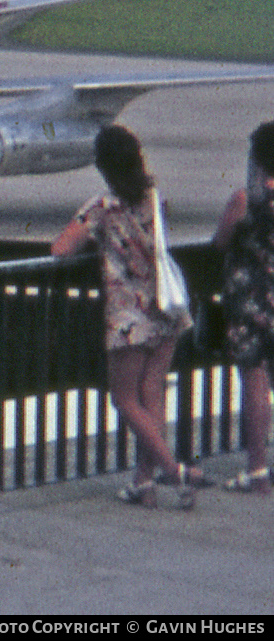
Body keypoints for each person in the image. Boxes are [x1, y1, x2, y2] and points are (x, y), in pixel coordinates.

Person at [51, 124, 208, 508]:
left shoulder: (102, 208)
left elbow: (61, 250)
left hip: (128, 316)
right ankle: (143, 482)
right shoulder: (154, 198)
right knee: (151, 393)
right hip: (165, 309)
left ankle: (174, 471)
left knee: (123, 399)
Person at [211, 122, 274, 495]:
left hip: (249, 299)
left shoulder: (245, 200)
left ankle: (256, 469)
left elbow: (221, 241)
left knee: (255, 381)